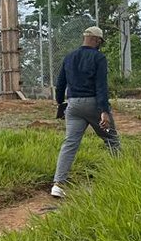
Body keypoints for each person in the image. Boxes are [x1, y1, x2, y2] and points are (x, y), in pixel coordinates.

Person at [51, 26, 121, 198]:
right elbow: (101, 86)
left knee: (70, 143)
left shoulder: (69, 57)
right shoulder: (99, 58)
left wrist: (60, 103)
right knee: (111, 139)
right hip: (93, 105)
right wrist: (104, 110)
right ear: (97, 40)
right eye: (100, 42)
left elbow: (60, 84)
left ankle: (58, 184)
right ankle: (122, 178)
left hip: (73, 106)